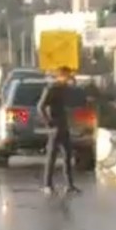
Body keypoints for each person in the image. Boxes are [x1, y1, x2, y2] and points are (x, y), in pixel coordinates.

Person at [38, 66, 80, 196]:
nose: (68, 79)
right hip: (55, 127)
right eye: (66, 76)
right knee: (52, 156)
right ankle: (47, 185)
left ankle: (69, 185)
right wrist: (48, 122)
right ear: (60, 76)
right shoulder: (52, 89)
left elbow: (73, 101)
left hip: (64, 126)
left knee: (67, 156)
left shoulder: (65, 90)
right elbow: (40, 107)